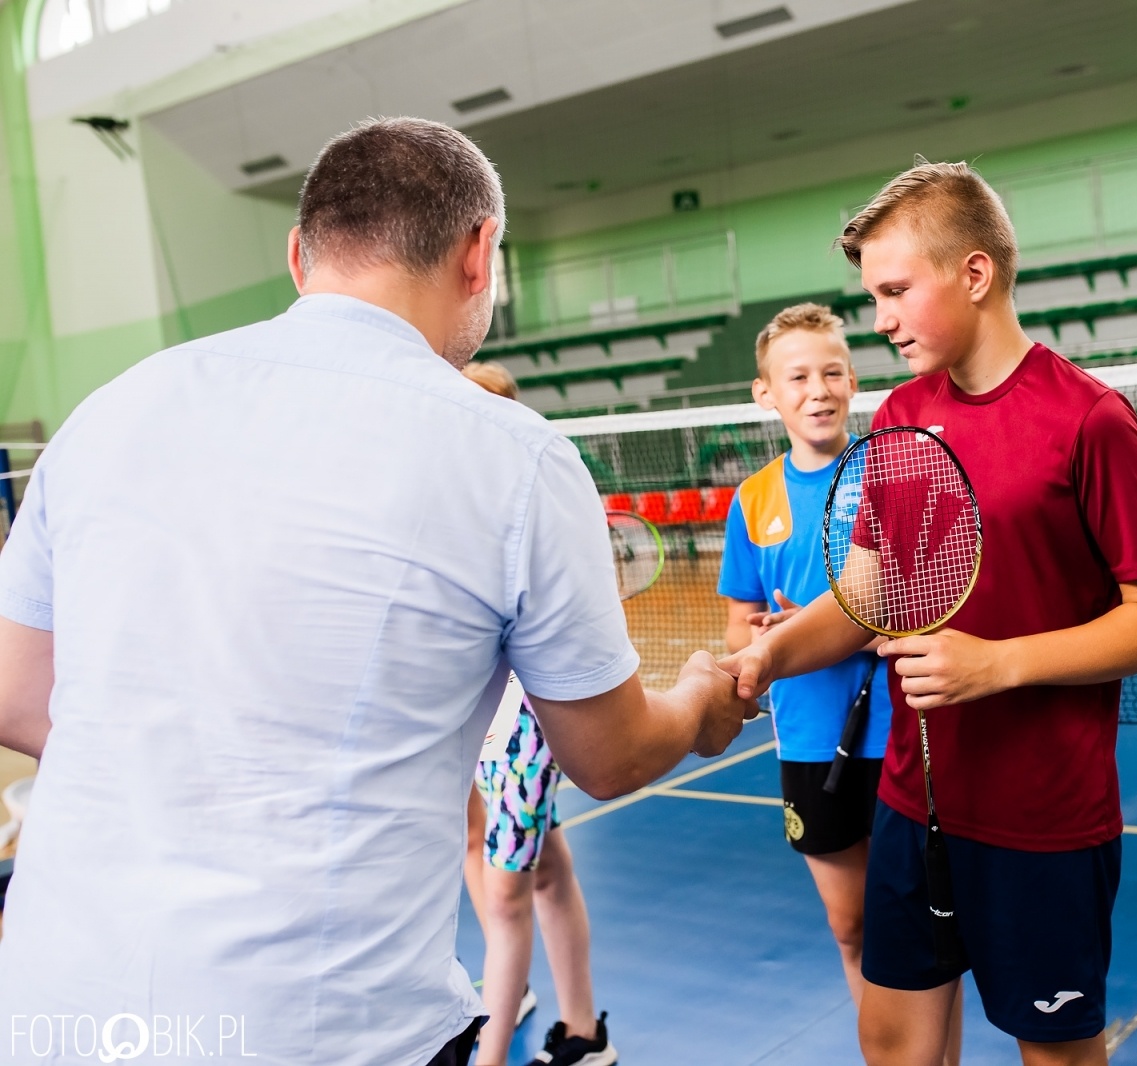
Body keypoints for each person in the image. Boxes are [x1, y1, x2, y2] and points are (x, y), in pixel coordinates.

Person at [0, 117, 752, 1066]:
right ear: (481, 254)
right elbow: (607, 757)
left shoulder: (108, 409)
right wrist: (697, 704)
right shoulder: (511, 456)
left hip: (50, 1007)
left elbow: (19, 698)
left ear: (297, 254)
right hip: (317, 1031)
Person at [719, 161, 1137, 1066]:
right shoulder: (902, 416)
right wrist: (768, 656)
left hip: (1044, 820)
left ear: (974, 275)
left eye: (897, 290)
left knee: (1055, 1052)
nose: (883, 319)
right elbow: (868, 595)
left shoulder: (1088, 421)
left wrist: (996, 663)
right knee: (894, 1042)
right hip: (915, 798)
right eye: (874, 295)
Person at [718, 303, 964, 1060]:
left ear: (853, 382)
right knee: (851, 926)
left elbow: (935, 594)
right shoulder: (752, 501)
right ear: (767, 393)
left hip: (900, 735)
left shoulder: (888, 470)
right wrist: (769, 637)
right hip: (809, 739)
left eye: (831, 372)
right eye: (797, 376)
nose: (817, 389)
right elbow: (739, 626)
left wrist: (856, 627)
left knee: (921, 937)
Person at [458, 359, 615, 1066]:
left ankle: (490, 1057)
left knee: (509, 895)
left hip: (523, 725)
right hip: (475, 721)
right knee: (542, 870)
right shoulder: (445, 512)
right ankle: (579, 1027)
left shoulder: (531, 516)